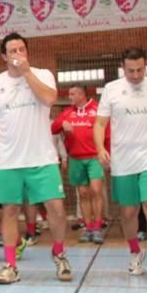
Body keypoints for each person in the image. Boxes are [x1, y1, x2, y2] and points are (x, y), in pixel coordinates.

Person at [0, 33, 70, 285]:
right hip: (9, 161)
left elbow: (50, 99)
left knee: (57, 210)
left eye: (21, 49)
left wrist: (28, 73)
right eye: (12, 50)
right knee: (9, 211)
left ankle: (59, 253)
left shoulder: (42, 74)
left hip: (42, 158)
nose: (17, 54)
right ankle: (10, 265)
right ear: (4, 56)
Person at [94, 48, 147, 288]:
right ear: (123, 67)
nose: (135, 75)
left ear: (146, 66)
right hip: (123, 159)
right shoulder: (111, 90)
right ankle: (135, 252)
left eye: (140, 70)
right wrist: (100, 147)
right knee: (128, 213)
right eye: (130, 70)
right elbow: (100, 123)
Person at [51, 84, 107, 243]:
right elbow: (53, 129)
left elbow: (107, 130)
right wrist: (62, 125)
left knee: (96, 190)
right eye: (69, 94)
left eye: (73, 94)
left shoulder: (97, 109)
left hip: (94, 157)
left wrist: (106, 151)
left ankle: (97, 227)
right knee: (82, 193)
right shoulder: (68, 112)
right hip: (75, 158)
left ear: (82, 95)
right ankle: (88, 227)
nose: (70, 97)